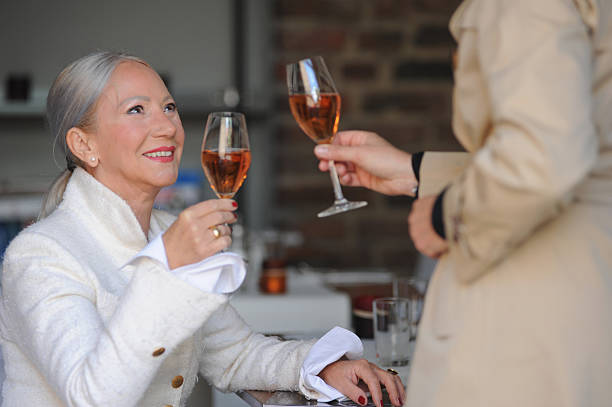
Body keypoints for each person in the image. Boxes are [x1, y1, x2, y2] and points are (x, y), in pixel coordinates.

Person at [0, 51, 404, 407]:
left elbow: (233, 353)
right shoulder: (39, 255)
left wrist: (322, 367)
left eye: (169, 107)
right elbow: (90, 396)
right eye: (137, 110)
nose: (167, 127)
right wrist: (165, 268)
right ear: (84, 145)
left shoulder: (168, 229)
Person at [314, 0, 612, 406]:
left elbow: (545, 156)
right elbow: (574, 149)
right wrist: (415, 171)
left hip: (535, 304)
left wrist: (444, 215)